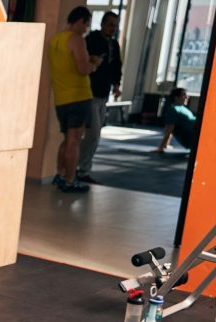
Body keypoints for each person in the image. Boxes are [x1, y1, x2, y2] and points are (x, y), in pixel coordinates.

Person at [48, 6, 100, 193]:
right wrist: (94, 64)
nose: (86, 29)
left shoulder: (56, 40)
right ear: (80, 21)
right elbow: (83, 68)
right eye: (86, 25)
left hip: (62, 98)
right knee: (74, 140)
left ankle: (60, 175)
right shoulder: (76, 39)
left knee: (67, 139)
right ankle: (70, 180)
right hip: (78, 97)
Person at [77, 11, 123, 184]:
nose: (113, 28)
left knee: (93, 134)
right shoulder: (91, 40)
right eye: (110, 25)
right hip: (90, 94)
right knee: (93, 134)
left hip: (104, 94)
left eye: (116, 25)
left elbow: (117, 66)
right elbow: (84, 62)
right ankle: (81, 169)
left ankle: (82, 168)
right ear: (103, 24)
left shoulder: (114, 45)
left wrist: (117, 85)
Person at [157, 87, 196, 153]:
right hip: (194, 139)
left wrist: (166, 145)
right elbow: (169, 130)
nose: (187, 97)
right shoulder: (173, 110)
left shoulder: (182, 108)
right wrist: (161, 148)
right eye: (184, 95)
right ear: (176, 98)